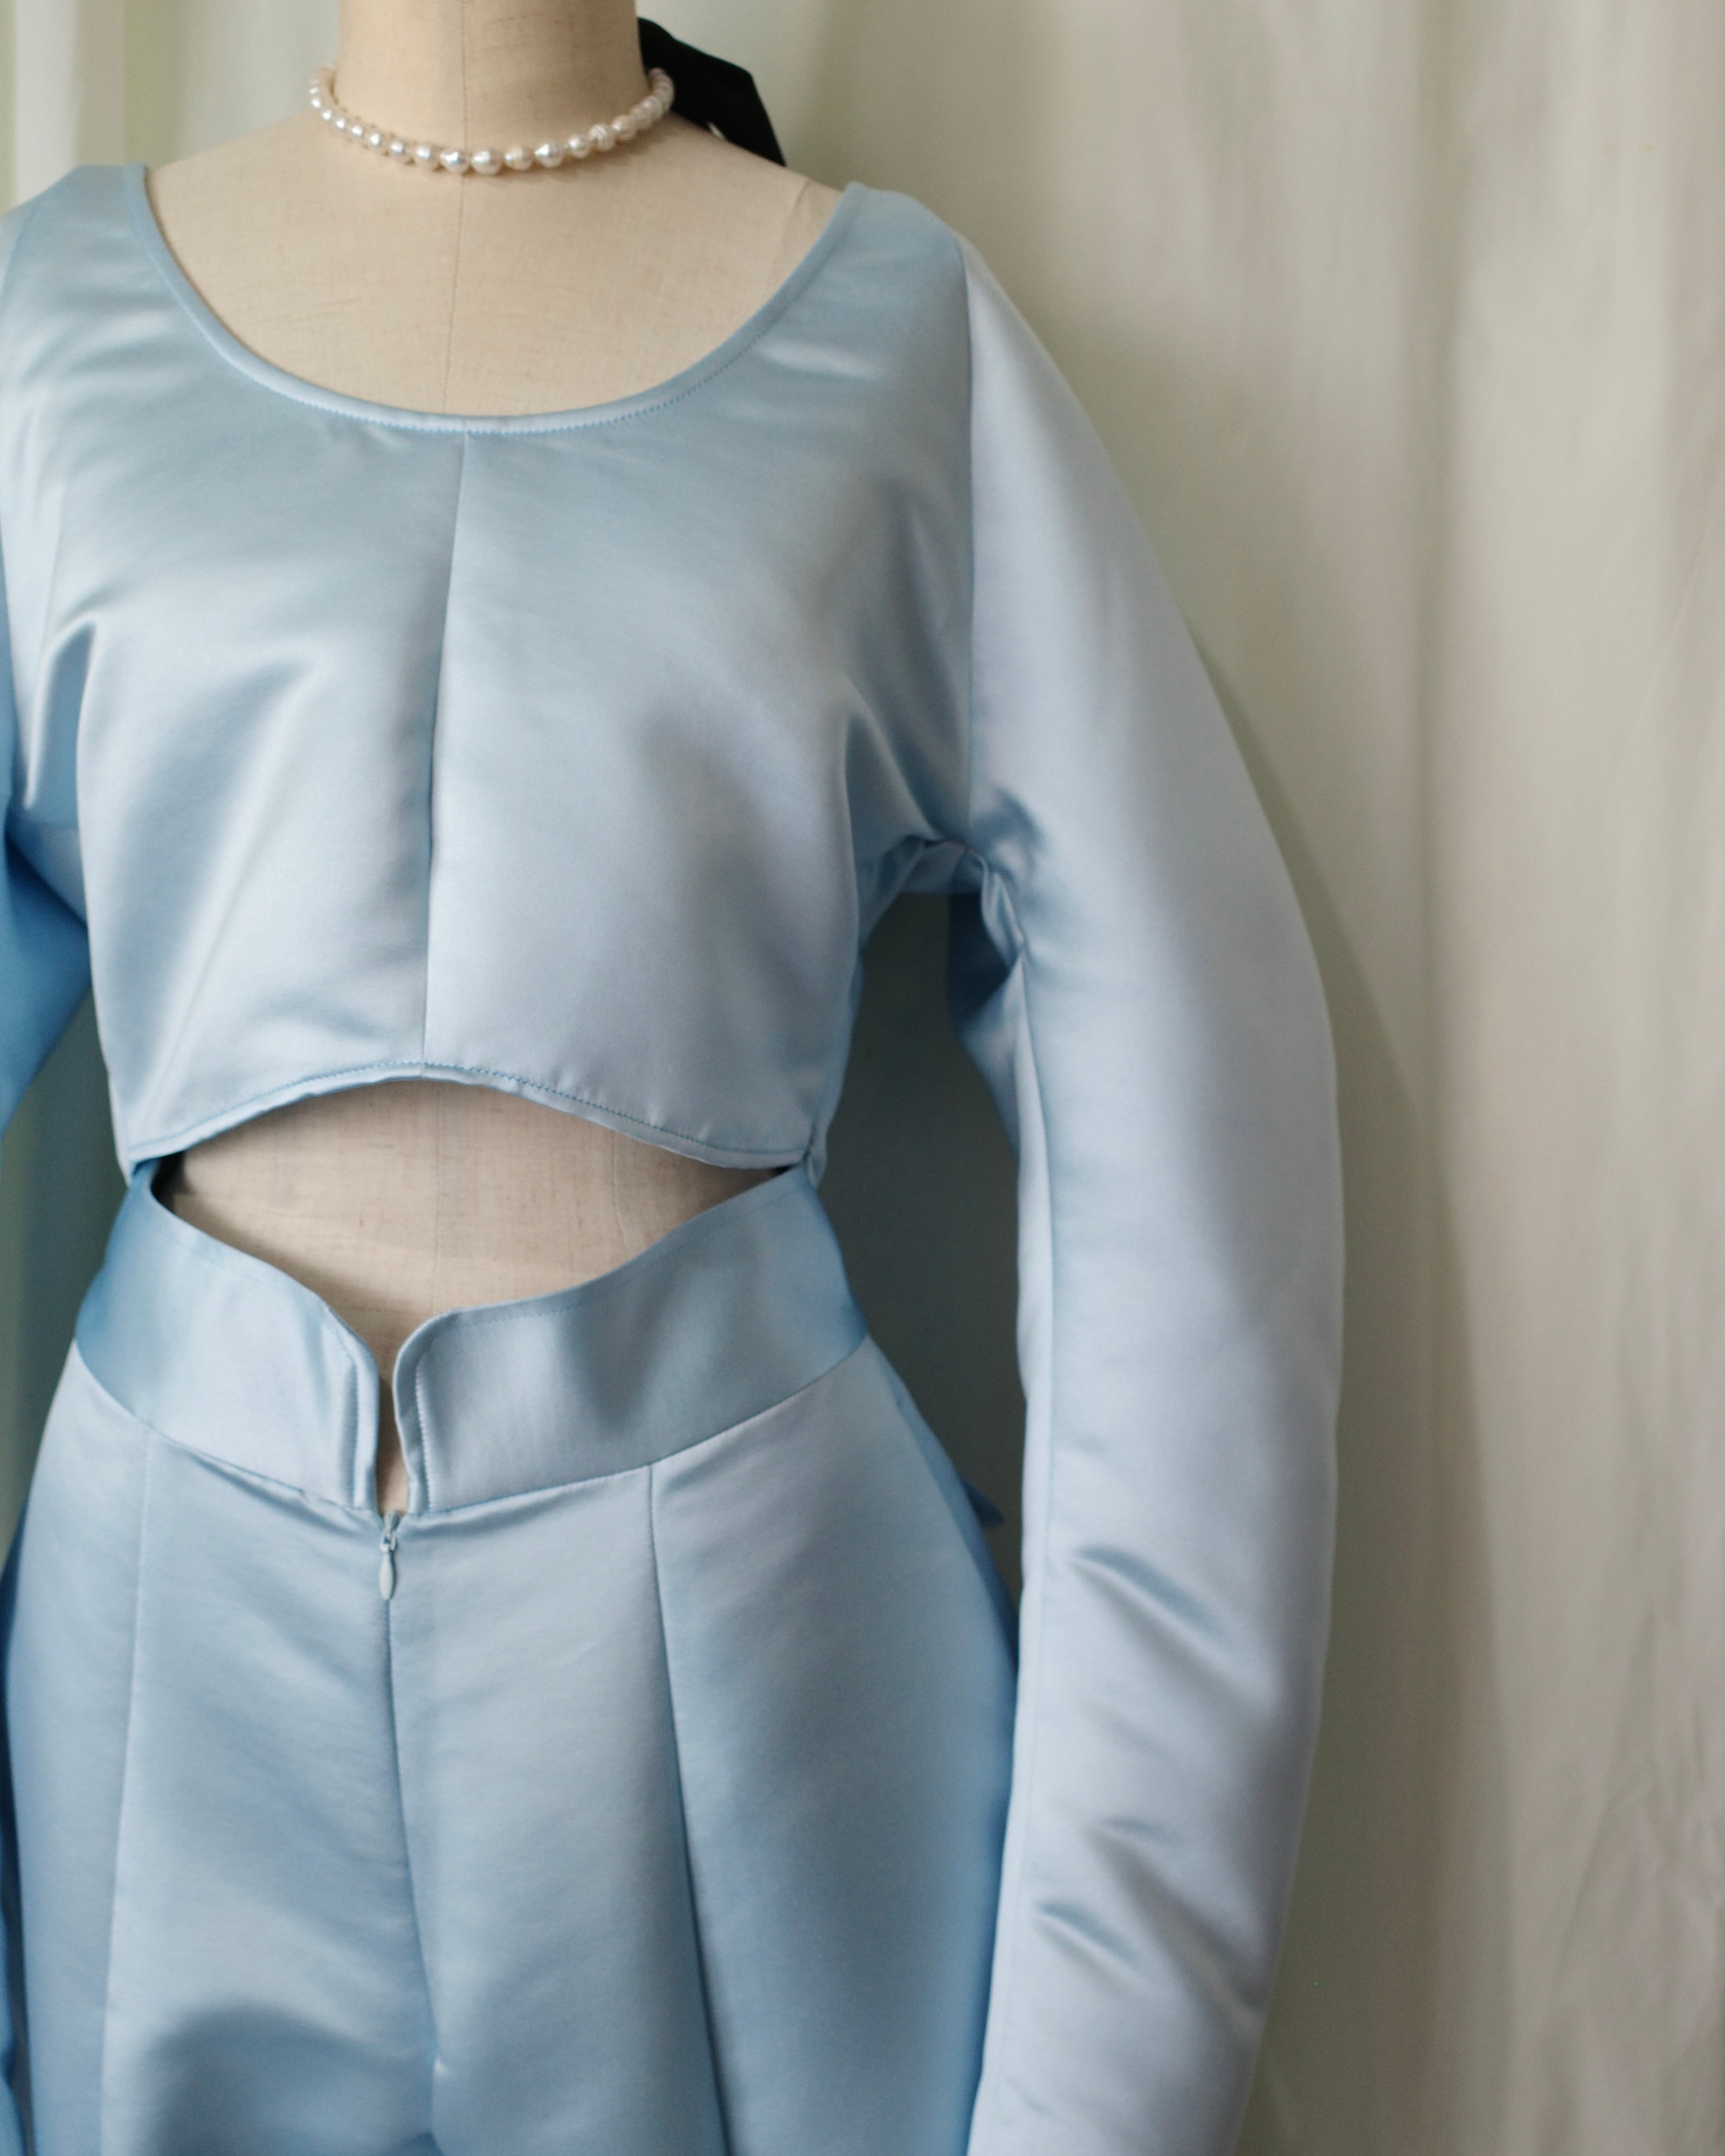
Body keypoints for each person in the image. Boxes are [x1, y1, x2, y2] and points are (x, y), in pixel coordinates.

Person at [0, 4, 1343, 2149]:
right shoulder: (47, 329)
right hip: (163, 1650)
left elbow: (1191, 1199)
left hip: (757, 1632)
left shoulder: (900, 341)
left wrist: (1103, 2086)